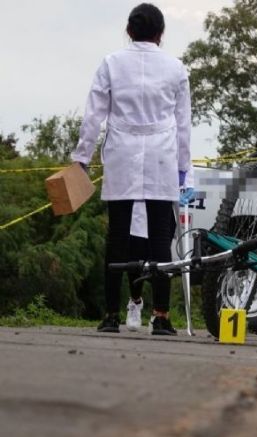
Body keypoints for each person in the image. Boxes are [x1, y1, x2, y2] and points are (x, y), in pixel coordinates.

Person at [72, 3, 195, 336]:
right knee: (159, 241)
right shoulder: (176, 68)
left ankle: (111, 314)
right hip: (161, 155)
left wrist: (81, 157)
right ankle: (161, 316)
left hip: (121, 154)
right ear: (161, 34)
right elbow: (183, 124)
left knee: (117, 238)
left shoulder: (111, 63)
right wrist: (184, 168)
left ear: (129, 31)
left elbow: (94, 115)